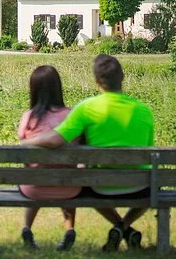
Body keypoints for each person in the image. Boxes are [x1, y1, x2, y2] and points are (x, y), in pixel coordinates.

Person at [21, 54, 155, 252]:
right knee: (154, 187)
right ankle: (123, 226)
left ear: (96, 81)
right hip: (140, 186)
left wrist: (26, 142)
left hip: (101, 187)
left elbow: (55, 139)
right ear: (123, 77)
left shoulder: (86, 108)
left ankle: (121, 227)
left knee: (85, 185)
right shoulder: (144, 110)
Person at [17, 65, 81, 251]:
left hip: (34, 189)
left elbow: (22, 146)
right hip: (68, 188)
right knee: (64, 175)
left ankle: (27, 227)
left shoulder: (28, 117)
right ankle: (69, 229)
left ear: (34, 89)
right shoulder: (71, 116)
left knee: (36, 175)